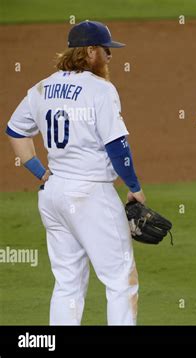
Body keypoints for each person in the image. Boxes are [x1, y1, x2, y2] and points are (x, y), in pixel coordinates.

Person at [6, 20, 144, 325]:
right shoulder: (100, 89)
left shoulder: (42, 87)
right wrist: (134, 186)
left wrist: (40, 173)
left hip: (54, 194)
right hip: (91, 194)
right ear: (91, 51)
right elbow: (117, 145)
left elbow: (15, 130)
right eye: (106, 50)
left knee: (67, 284)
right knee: (121, 281)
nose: (110, 57)